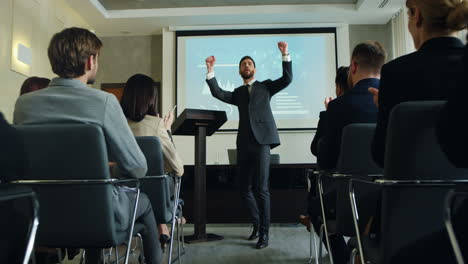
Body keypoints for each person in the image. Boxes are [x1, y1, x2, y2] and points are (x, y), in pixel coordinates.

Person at [13, 27, 162, 264]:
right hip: (97, 216)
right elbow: (137, 168)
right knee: (143, 202)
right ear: (90, 61)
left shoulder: (24, 105)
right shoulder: (103, 101)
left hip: (40, 214)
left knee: (96, 197)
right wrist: (107, 168)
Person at [205, 41, 292, 249]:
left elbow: (287, 78)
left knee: (261, 189)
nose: (246, 65)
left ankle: (264, 234)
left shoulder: (266, 86)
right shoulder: (238, 93)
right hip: (244, 144)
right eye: (243, 63)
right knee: (244, 189)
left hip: (262, 143)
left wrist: (285, 55)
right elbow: (218, 93)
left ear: (254, 69)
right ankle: (256, 223)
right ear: (239, 70)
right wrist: (210, 71)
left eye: (249, 63)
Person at [309, 41, 385, 264]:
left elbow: (324, 159)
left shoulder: (339, 106)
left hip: (349, 204)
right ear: (382, 66)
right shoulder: (394, 103)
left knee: (315, 207)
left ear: (353, 67)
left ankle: (342, 259)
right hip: (390, 202)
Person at [370, 0, 467, 167]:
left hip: (412, 192)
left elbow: (382, 154)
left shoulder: (395, 72)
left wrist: (388, 112)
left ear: (417, 15)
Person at [120, 73, 184, 251]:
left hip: (122, 197)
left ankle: (162, 225)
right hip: (154, 198)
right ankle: (170, 217)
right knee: (166, 179)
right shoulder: (156, 125)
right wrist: (167, 130)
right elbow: (179, 169)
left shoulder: (116, 124)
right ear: (150, 99)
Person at [310, 66, 350, 157]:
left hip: (337, 169)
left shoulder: (333, 108)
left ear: (339, 88)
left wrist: (329, 112)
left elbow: (316, 149)